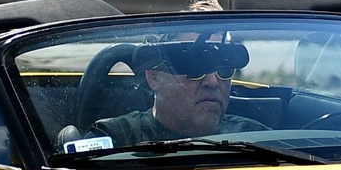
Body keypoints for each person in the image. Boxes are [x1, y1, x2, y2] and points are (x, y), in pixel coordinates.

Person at [91, 38, 266, 146]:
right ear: (154, 77)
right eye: (194, 69)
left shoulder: (257, 140)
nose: (213, 82)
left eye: (224, 69)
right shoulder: (116, 140)